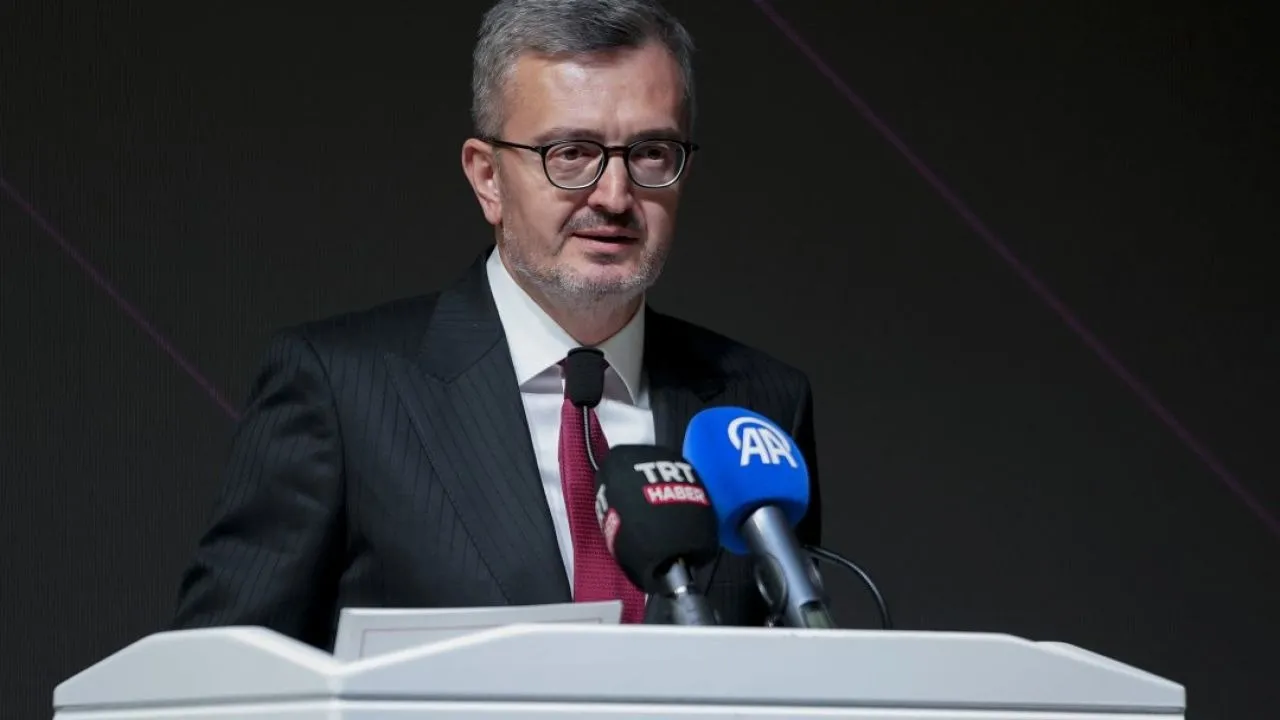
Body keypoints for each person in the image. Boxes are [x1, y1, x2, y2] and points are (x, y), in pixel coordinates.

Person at [170, 0, 822, 651]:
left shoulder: (760, 406)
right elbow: (217, 674)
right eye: (572, 153)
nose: (615, 196)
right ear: (488, 178)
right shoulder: (341, 391)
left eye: (651, 152)